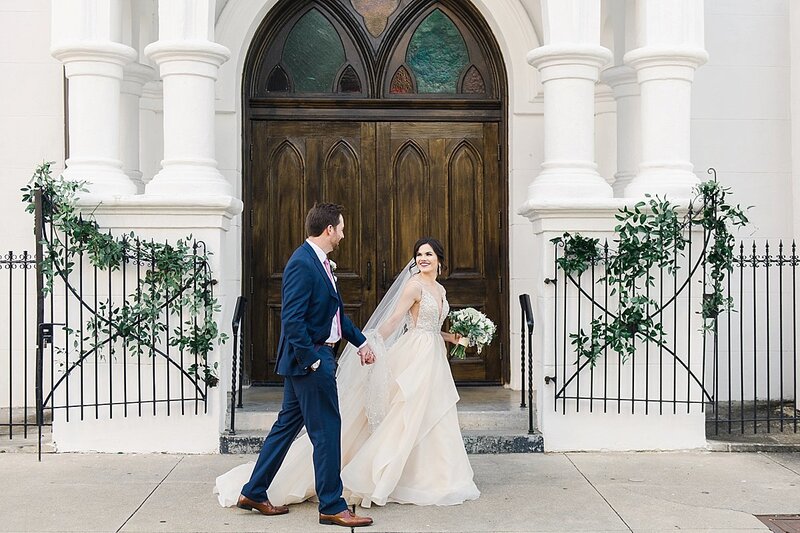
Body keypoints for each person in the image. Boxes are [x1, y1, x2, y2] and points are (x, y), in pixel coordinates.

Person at [215, 237, 479, 512]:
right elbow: (394, 320)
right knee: (399, 416)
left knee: (430, 416)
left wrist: (455, 338)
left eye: (428, 254)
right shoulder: (414, 286)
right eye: (419, 254)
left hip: (433, 357)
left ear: (439, 259)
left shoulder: (440, 289)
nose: (423, 258)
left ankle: (431, 475)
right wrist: (372, 342)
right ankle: (326, 497)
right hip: (410, 358)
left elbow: (431, 328)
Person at [234, 203, 375, 528]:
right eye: (340, 228)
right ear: (329, 230)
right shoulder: (302, 263)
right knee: (327, 431)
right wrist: (312, 361)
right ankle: (332, 505)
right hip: (311, 359)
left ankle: (254, 491)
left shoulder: (320, 262)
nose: (342, 233)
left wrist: (361, 341)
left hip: (310, 359)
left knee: (285, 428)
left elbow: (335, 313)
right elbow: (292, 319)